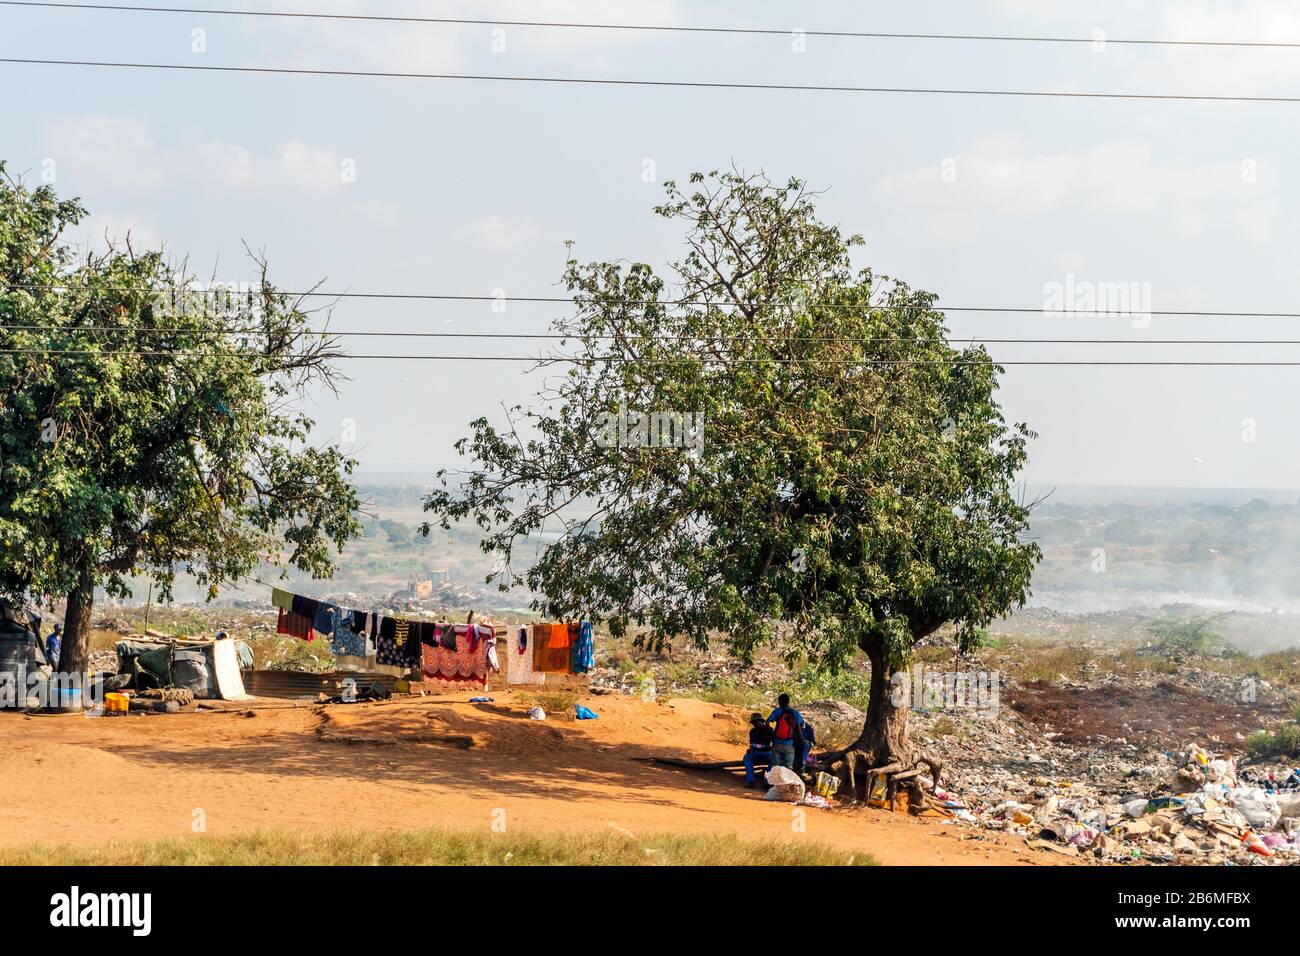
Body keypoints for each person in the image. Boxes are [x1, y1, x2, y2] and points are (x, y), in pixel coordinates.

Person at [767, 693, 805, 770]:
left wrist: (771, 731)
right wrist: (800, 738)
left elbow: (767, 721)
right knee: (788, 767)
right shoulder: (795, 713)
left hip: (777, 742)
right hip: (789, 744)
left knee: (775, 766)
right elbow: (801, 726)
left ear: (779, 702)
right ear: (788, 701)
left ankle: (775, 781)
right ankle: (786, 781)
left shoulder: (777, 711)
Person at [743, 713, 774, 787]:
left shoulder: (769, 730)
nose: (755, 724)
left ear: (761, 721)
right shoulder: (752, 731)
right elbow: (752, 744)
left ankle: (767, 781)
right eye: (753, 723)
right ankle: (750, 781)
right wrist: (750, 749)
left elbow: (774, 743)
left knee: (774, 761)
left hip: (768, 753)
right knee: (747, 758)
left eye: (756, 722)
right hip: (756, 752)